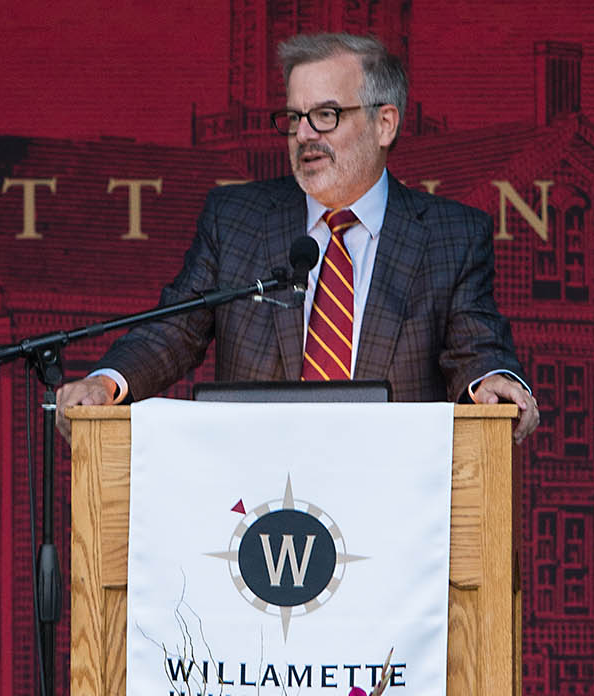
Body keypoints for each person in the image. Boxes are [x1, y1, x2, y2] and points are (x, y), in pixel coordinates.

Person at [56, 33, 539, 442]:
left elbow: (475, 347)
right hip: (254, 498)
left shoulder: (449, 236)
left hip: (392, 496)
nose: (304, 135)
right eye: (294, 118)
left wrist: (491, 383)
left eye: (326, 115)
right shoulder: (237, 219)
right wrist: (108, 382)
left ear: (384, 123)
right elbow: (175, 331)